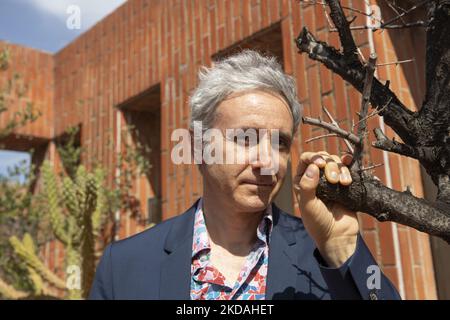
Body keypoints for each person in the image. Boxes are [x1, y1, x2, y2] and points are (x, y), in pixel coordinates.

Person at [89, 50, 400, 300]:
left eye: (279, 143)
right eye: (245, 139)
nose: (267, 161)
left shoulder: (325, 253)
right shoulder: (125, 265)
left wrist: (341, 247)